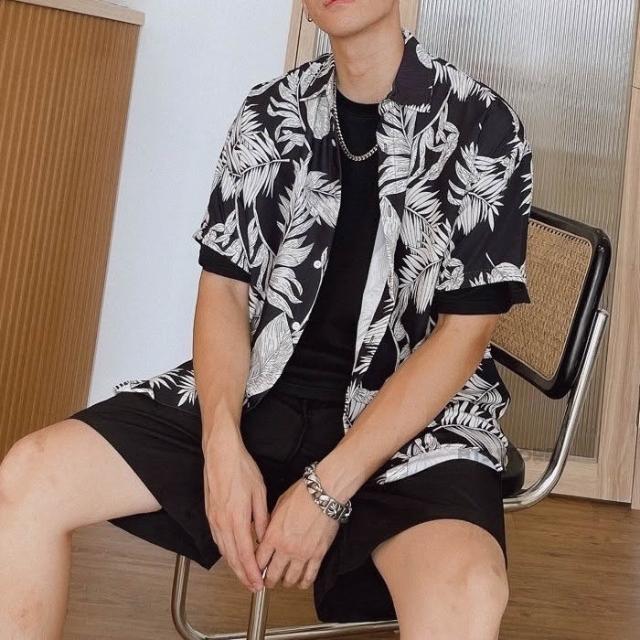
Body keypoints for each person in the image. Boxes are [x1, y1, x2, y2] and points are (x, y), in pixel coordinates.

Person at [0, 1, 533, 638]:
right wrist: (221, 444)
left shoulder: (483, 125)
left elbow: (463, 335)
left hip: (414, 424)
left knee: (468, 589)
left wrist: (329, 486)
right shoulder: (268, 112)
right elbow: (224, 291)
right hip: (259, 391)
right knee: (28, 476)